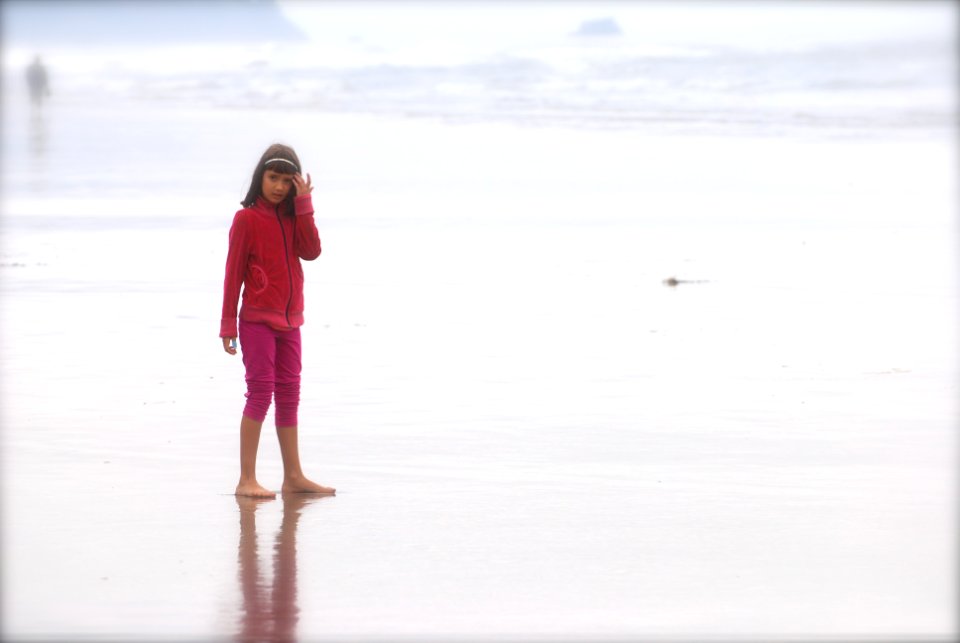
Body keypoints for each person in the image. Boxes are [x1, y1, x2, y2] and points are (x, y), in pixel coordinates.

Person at [221, 143, 335, 498]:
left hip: (291, 322)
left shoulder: (292, 217)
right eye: (273, 178)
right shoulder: (246, 220)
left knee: (289, 394)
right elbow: (233, 273)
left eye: (287, 181)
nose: (279, 187)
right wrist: (227, 325)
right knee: (260, 393)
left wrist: (304, 206)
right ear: (260, 178)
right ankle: (246, 480)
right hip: (256, 321)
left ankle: (294, 476)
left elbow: (312, 251)